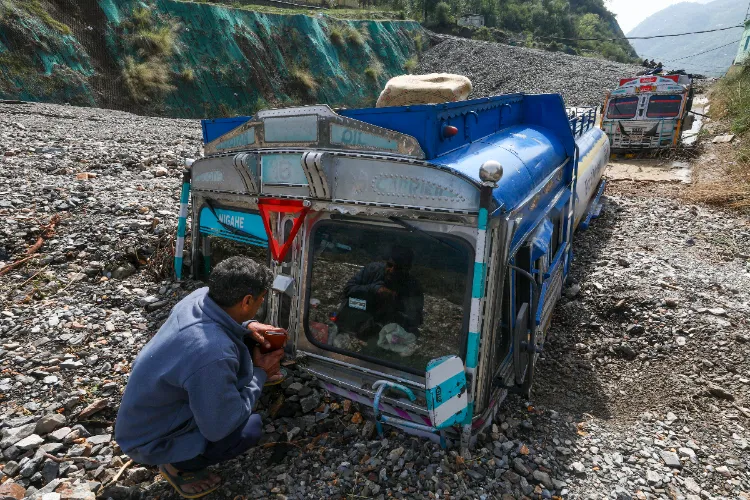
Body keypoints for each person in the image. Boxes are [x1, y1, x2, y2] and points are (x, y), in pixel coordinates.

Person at [115, 256, 286, 498]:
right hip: (150, 440)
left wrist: (247, 324)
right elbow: (220, 428)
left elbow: (222, 329)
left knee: (242, 347)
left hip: (143, 415)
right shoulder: (212, 351)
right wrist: (260, 373)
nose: (260, 304)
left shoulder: (200, 296)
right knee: (248, 428)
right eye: (259, 300)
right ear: (247, 300)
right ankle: (178, 465)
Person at [335, 245, 424, 339]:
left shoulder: (413, 287)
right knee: (350, 302)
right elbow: (348, 289)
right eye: (389, 265)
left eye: (398, 268)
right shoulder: (372, 270)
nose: (391, 271)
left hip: (390, 319)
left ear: (407, 269)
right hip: (362, 306)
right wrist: (374, 289)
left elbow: (416, 319)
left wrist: (397, 304)